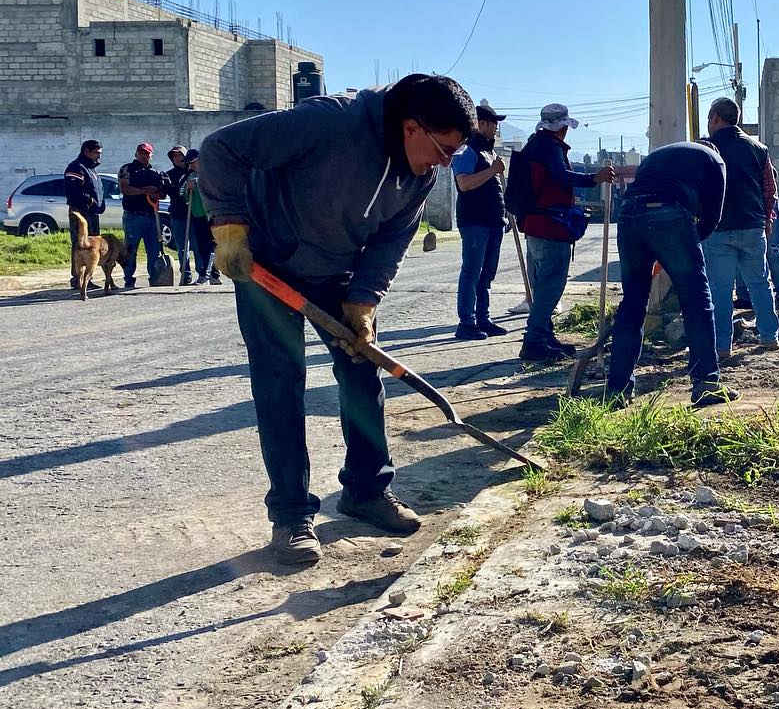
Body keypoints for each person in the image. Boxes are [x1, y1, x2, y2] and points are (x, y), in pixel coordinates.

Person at [201, 73, 477, 565]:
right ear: (411, 127)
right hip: (269, 265)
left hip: (339, 272)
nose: (445, 162)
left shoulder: (420, 176)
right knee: (281, 383)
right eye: (444, 148)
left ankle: (366, 490)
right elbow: (222, 148)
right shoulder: (331, 122)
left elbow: (392, 239)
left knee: (361, 370)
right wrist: (229, 225)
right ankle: (290, 515)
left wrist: (364, 301)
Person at [605, 140, 736, 408]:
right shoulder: (715, 160)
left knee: (633, 301)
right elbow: (712, 217)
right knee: (697, 300)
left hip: (629, 214)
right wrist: (681, 250)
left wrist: (664, 253)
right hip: (670, 212)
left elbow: (644, 194)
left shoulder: (661, 155)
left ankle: (617, 388)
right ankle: (707, 383)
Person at [510, 103, 616, 363]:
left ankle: (545, 336)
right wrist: (594, 178)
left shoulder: (534, 144)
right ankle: (534, 341)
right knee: (549, 288)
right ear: (561, 127)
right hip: (550, 227)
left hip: (536, 226)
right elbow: (560, 176)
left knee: (544, 285)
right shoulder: (550, 147)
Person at [699, 98, 779, 359]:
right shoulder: (758, 148)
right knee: (759, 283)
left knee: (720, 291)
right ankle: (769, 336)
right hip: (753, 226)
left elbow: (696, 188)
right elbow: (769, 187)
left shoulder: (707, 148)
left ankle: (722, 346)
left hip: (718, 228)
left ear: (715, 118)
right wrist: (766, 218)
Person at [452, 104, 508, 340]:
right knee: (472, 272)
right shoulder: (466, 150)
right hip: (475, 222)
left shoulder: (489, 151)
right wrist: (493, 170)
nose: (496, 128)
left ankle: (483, 318)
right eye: (493, 123)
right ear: (481, 124)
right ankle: (466, 322)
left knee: (487, 274)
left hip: (493, 221)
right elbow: (464, 184)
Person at [118, 142, 170, 289]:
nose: (143, 155)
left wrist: (157, 191)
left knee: (154, 249)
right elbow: (125, 188)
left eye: (146, 153)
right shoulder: (127, 169)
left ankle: (155, 278)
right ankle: (129, 279)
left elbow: (162, 193)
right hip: (133, 216)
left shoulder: (155, 173)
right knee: (131, 249)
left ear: (150, 156)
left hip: (152, 216)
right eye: (141, 152)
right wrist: (144, 191)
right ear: (136, 154)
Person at [63, 139, 106, 289]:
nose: (99, 156)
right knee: (81, 245)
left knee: (91, 246)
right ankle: (77, 279)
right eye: (96, 153)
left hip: (92, 213)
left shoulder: (91, 168)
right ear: (86, 151)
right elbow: (73, 191)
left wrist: (100, 204)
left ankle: (88, 278)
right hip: (80, 213)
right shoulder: (76, 167)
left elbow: (96, 190)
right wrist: (90, 201)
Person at [179, 149, 219, 285]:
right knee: (202, 246)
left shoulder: (211, 172)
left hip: (212, 215)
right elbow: (183, 194)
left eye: (193, 162)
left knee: (212, 245)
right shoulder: (189, 176)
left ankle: (208, 274)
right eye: (190, 163)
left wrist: (196, 182)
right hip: (198, 215)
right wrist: (187, 189)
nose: (191, 166)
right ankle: (210, 274)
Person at [164, 145, 194, 284]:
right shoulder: (168, 175)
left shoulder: (194, 172)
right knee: (182, 248)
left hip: (195, 214)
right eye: (175, 156)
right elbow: (165, 193)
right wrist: (165, 186)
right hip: (178, 215)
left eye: (180, 155)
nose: (178, 158)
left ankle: (205, 273)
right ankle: (186, 275)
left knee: (200, 246)